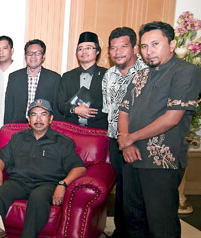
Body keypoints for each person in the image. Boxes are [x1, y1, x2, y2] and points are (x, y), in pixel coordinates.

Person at [118, 21, 201, 238]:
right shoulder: (140, 75)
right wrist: (127, 142)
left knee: (161, 223)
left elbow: (172, 118)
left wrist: (129, 138)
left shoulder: (186, 72)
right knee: (133, 220)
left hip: (162, 161)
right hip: (132, 156)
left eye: (155, 44)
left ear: (172, 44)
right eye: (144, 46)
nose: (149, 51)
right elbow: (124, 111)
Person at [0, 99, 86, 238]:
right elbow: (0, 157)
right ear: (28, 119)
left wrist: (63, 184)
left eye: (43, 114)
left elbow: (79, 167)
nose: (38, 119)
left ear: (51, 118)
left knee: (38, 198)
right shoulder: (18, 138)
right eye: (34, 114)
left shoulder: (62, 142)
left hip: (46, 185)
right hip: (19, 183)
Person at [101, 26, 147, 238]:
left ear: (135, 48)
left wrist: (131, 138)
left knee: (137, 193)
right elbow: (108, 111)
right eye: (113, 48)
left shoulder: (147, 72)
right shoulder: (108, 75)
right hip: (115, 140)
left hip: (140, 140)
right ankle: (121, 232)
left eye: (123, 46)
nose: (118, 52)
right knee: (120, 190)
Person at [56, 32, 108, 129]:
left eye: (88, 48)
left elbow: (112, 105)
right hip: (71, 130)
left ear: (97, 51)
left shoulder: (107, 75)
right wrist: (74, 110)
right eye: (80, 49)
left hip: (98, 131)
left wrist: (89, 112)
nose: (84, 52)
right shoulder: (67, 76)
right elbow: (60, 104)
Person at [4, 39, 61, 124]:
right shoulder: (14, 77)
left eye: (37, 53)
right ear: (25, 56)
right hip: (18, 127)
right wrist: (7, 127)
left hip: (43, 128)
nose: (33, 56)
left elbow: (56, 109)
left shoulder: (54, 78)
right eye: (29, 53)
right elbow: (9, 108)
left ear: (43, 57)